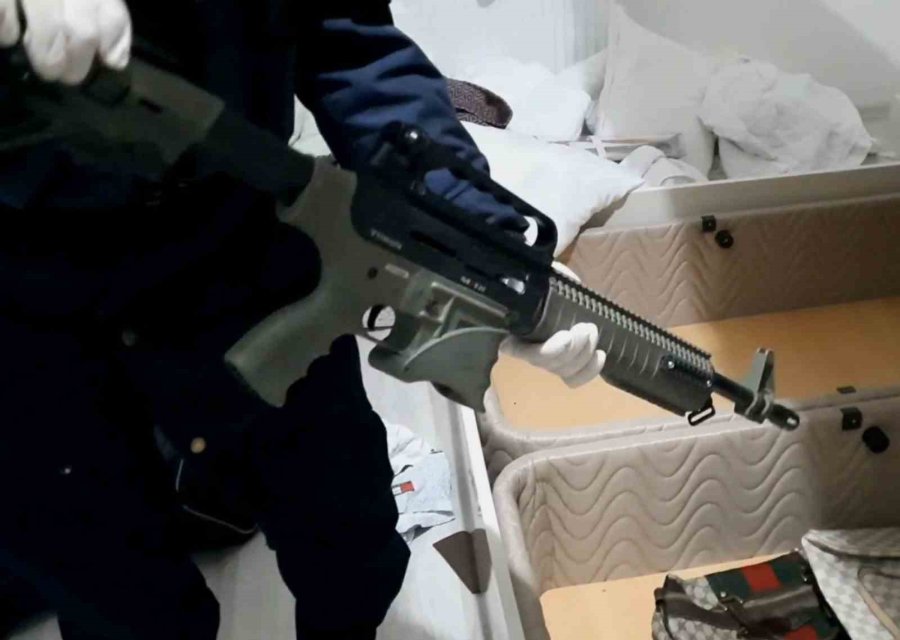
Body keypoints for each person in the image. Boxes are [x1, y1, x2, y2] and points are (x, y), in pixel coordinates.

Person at [0, 1, 605, 638]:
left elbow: (358, 51)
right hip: (24, 285)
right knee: (113, 592)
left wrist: (484, 246)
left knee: (352, 533)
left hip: (237, 231)